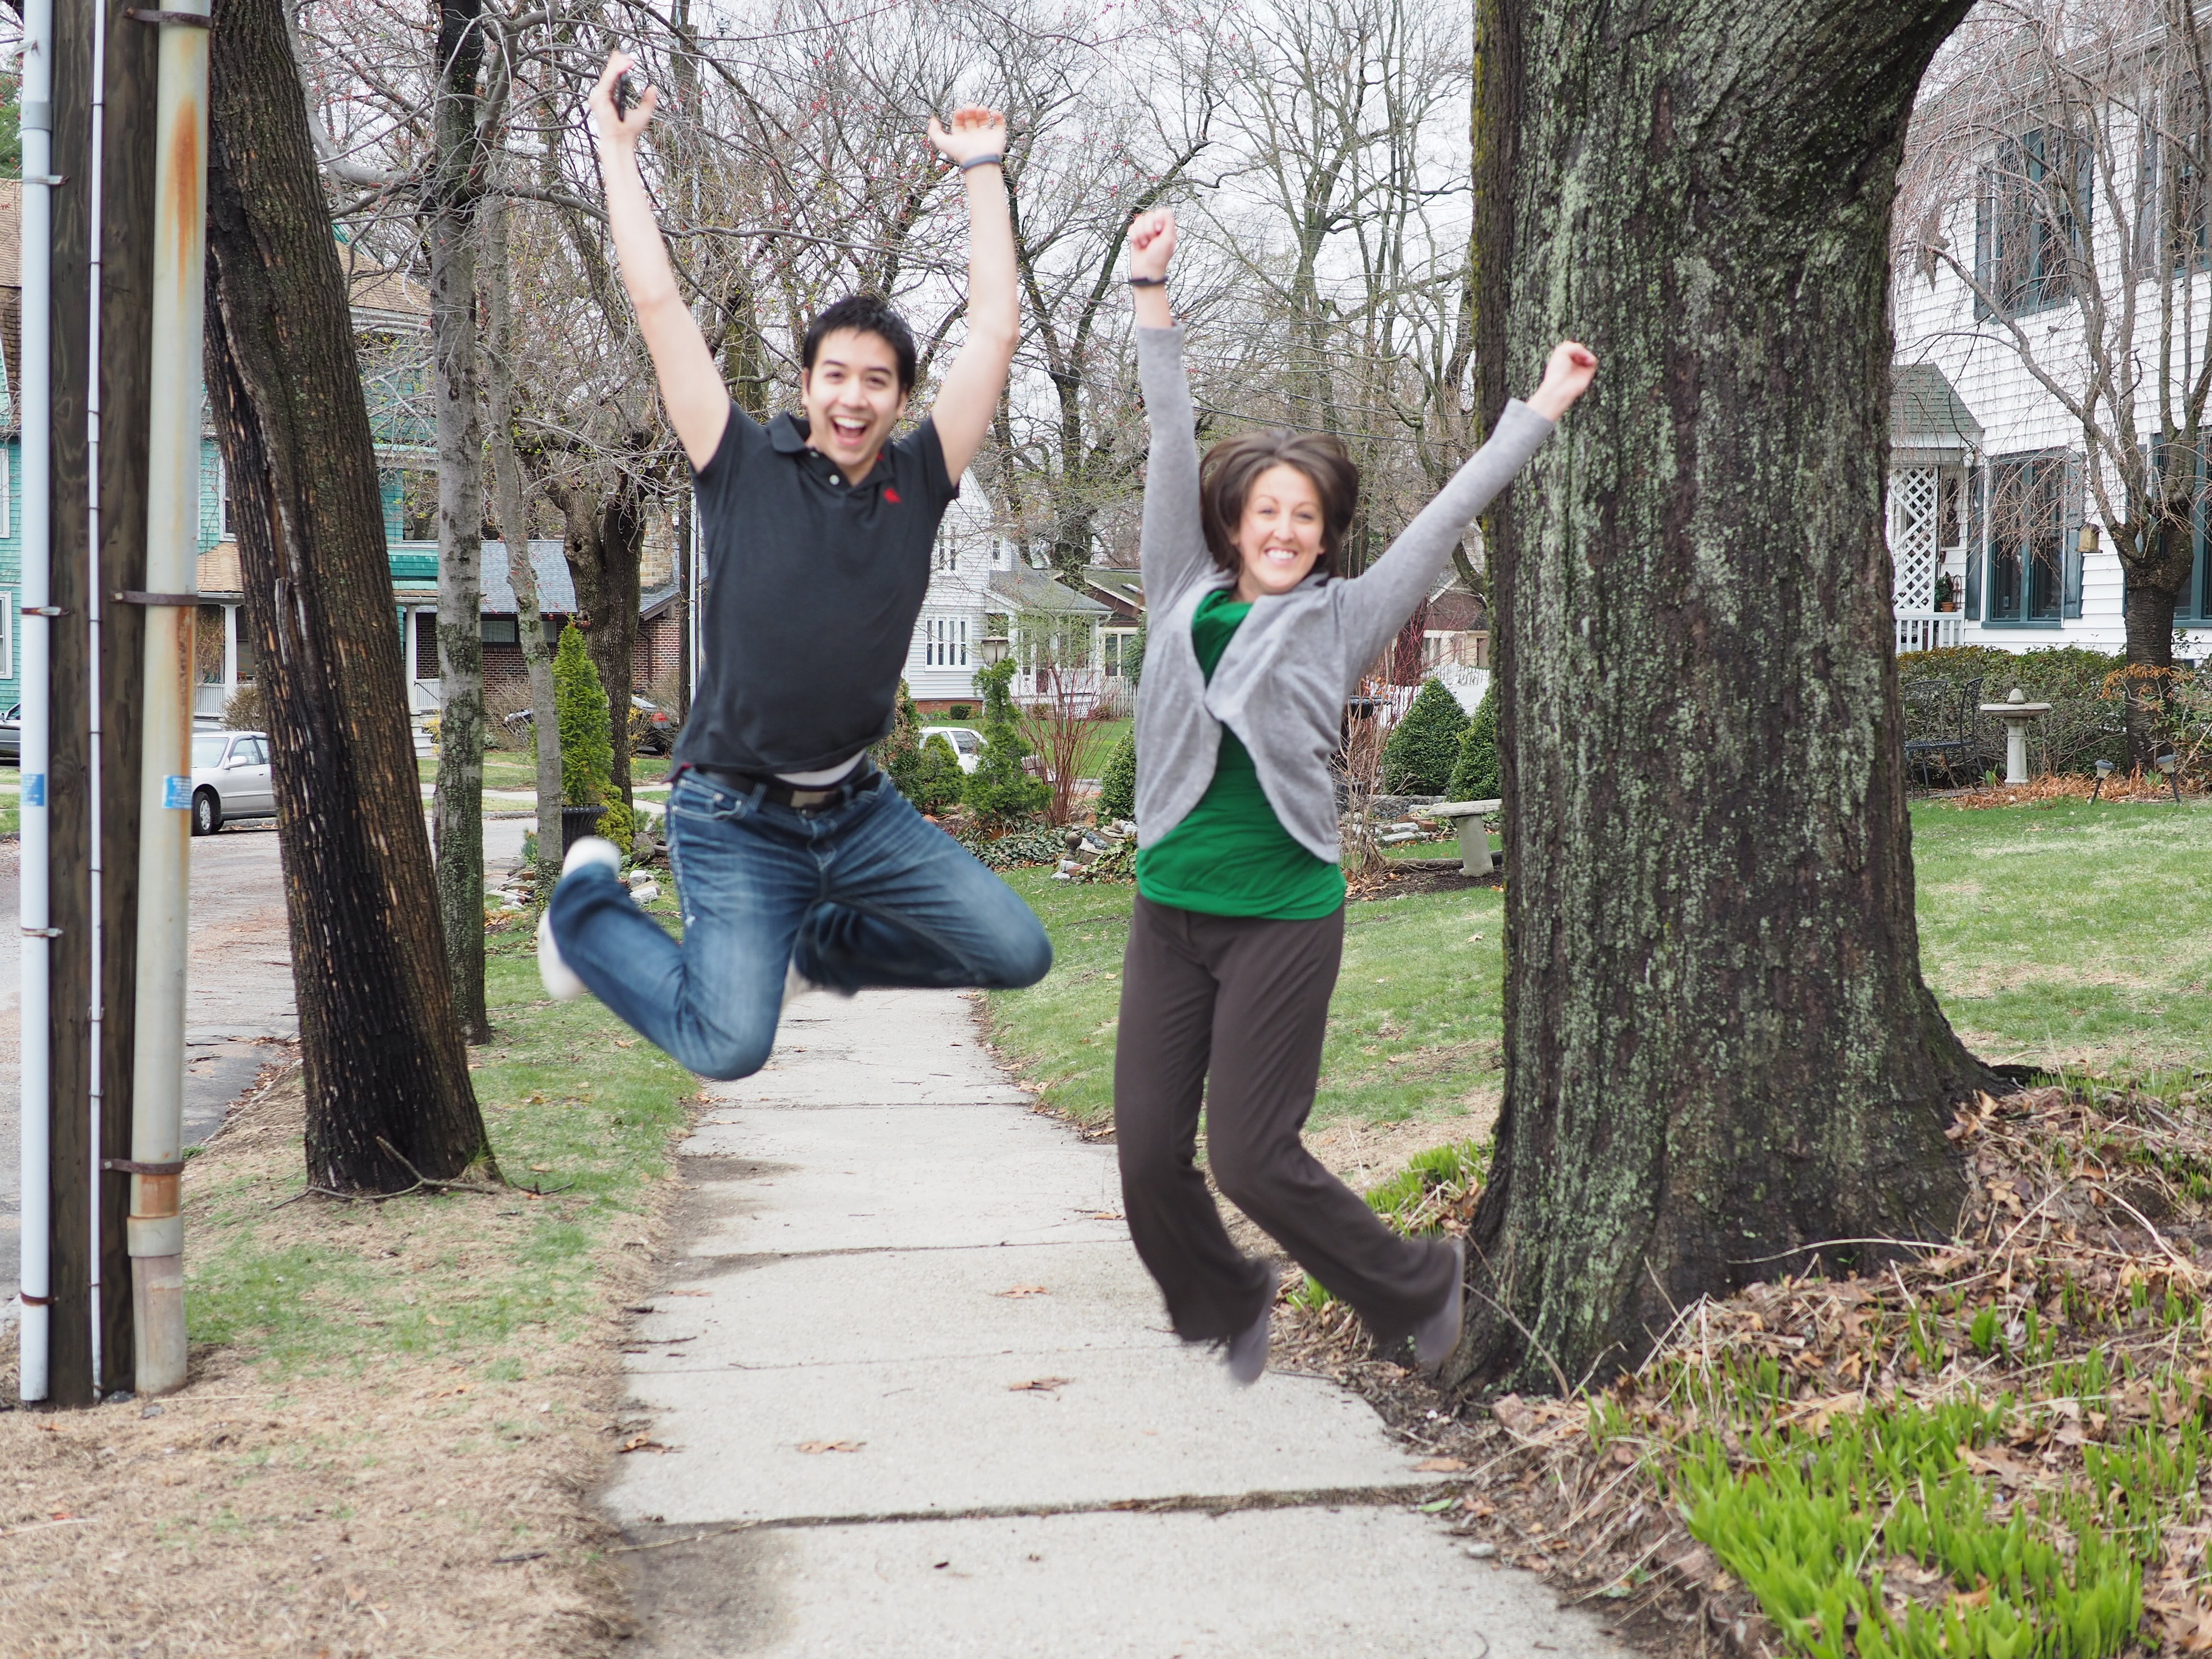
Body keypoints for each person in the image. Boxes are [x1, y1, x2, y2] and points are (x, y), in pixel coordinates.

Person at [1111, 208, 1596, 1384]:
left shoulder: (1343, 620)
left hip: (1282, 911)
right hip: (1168, 908)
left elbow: (1447, 519)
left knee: (1253, 1157)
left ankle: (1417, 1282)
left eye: (1305, 517)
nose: (1282, 529)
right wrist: (1150, 299)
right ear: (1234, 522)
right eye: (1265, 510)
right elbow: (1172, 439)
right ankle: (1227, 1296)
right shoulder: (1177, 585)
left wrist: (1540, 408)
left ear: (1324, 537)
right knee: (1142, 1155)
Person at [537, 52, 1052, 1079]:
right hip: (732, 810)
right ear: (808, 383)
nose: (856, 399)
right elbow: (657, 306)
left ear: (902, 399)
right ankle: (587, 911)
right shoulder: (739, 463)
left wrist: (983, 172)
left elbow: (996, 327)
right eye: (836, 377)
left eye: (878, 382)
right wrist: (616, 150)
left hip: (860, 809)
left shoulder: (921, 480)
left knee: (1015, 948)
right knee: (728, 1046)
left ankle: (812, 947)